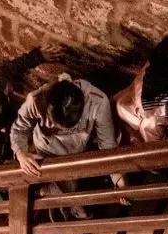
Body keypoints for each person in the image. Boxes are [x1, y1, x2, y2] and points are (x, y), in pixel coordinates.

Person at [10, 77, 125, 217]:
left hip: (76, 153)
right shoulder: (35, 100)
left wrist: (119, 179)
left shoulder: (98, 102)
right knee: (73, 202)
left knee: (80, 203)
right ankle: (50, 195)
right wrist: (20, 152)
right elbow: (19, 129)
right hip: (47, 152)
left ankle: (50, 194)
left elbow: (107, 145)